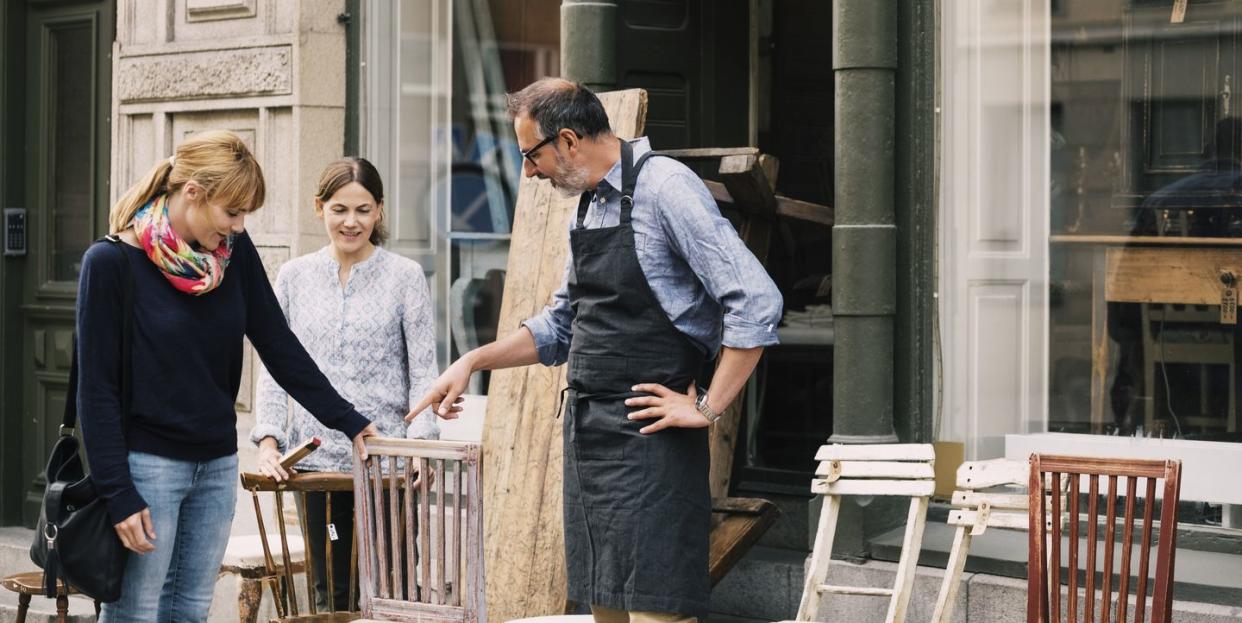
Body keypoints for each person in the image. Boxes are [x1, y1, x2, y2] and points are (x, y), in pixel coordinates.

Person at [410, 78, 783, 623]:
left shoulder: (666, 188)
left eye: (531, 156)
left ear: (566, 140)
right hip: (589, 435)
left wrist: (705, 408)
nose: (530, 172)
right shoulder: (588, 205)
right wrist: (471, 362)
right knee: (604, 610)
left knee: (659, 612)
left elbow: (755, 301)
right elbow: (563, 324)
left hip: (653, 442)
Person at [76, 130, 378, 622]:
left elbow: (279, 347)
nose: (238, 227)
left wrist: (351, 421)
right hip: (147, 468)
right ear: (193, 193)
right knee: (134, 613)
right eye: (231, 213)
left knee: (191, 611)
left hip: (215, 465)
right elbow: (97, 392)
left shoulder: (230, 257)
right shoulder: (111, 263)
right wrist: (118, 493)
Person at [250, 157, 442, 610]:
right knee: (330, 591)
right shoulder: (294, 277)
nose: (351, 222)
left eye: (362, 210)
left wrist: (421, 444)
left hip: (386, 469)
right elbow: (276, 369)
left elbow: (423, 373)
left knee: (389, 588)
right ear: (320, 208)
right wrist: (269, 441)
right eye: (339, 209)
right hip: (318, 469)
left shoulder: (405, 277)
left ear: (379, 211)